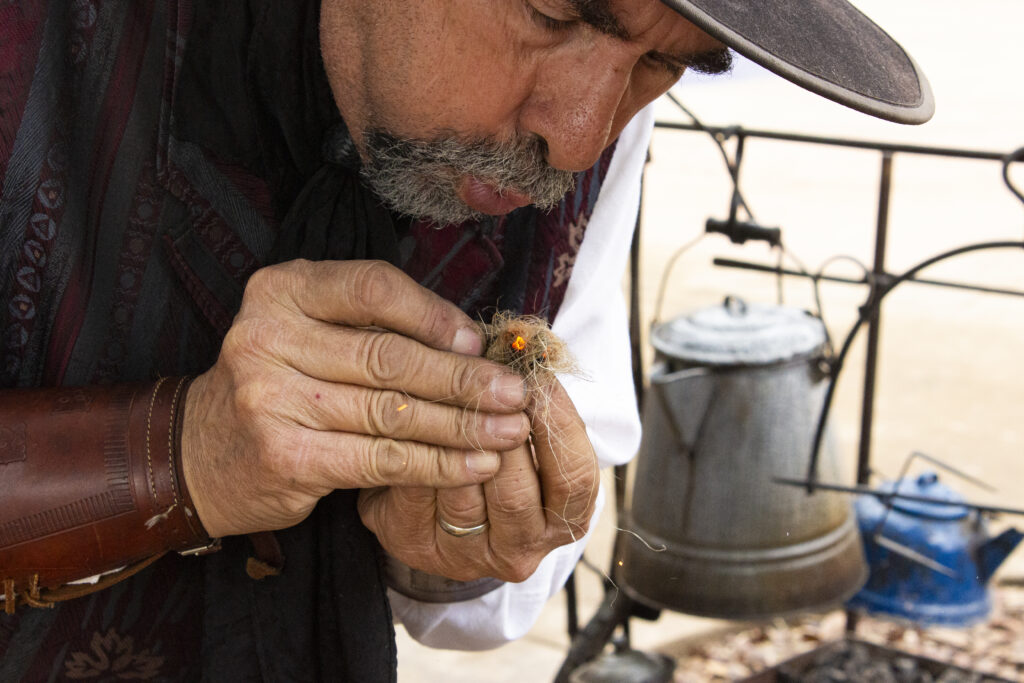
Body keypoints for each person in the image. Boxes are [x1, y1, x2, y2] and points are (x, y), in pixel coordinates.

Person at [0, 0, 931, 679]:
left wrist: (451, 545)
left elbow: (510, 578)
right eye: (552, 10)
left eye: (665, 68)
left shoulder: (598, 118)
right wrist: (179, 454)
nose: (575, 140)